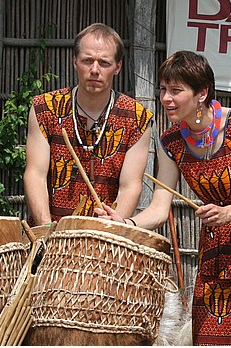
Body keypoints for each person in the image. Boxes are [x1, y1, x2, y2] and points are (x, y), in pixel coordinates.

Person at [97, 50, 231, 346]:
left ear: (201, 93)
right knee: (209, 343)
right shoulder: (171, 142)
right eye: (163, 90)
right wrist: (125, 222)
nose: (166, 98)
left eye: (176, 91)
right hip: (218, 256)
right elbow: (159, 208)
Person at [24, 23, 153, 224]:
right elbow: (35, 175)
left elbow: (130, 186)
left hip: (105, 240)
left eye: (104, 63)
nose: (94, 70)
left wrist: (111, 229)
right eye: (87, 61)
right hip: (49, 234)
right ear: (75, 61)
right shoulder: (45, 109)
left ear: (118, 67)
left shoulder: (137, 118)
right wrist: (47, 231)